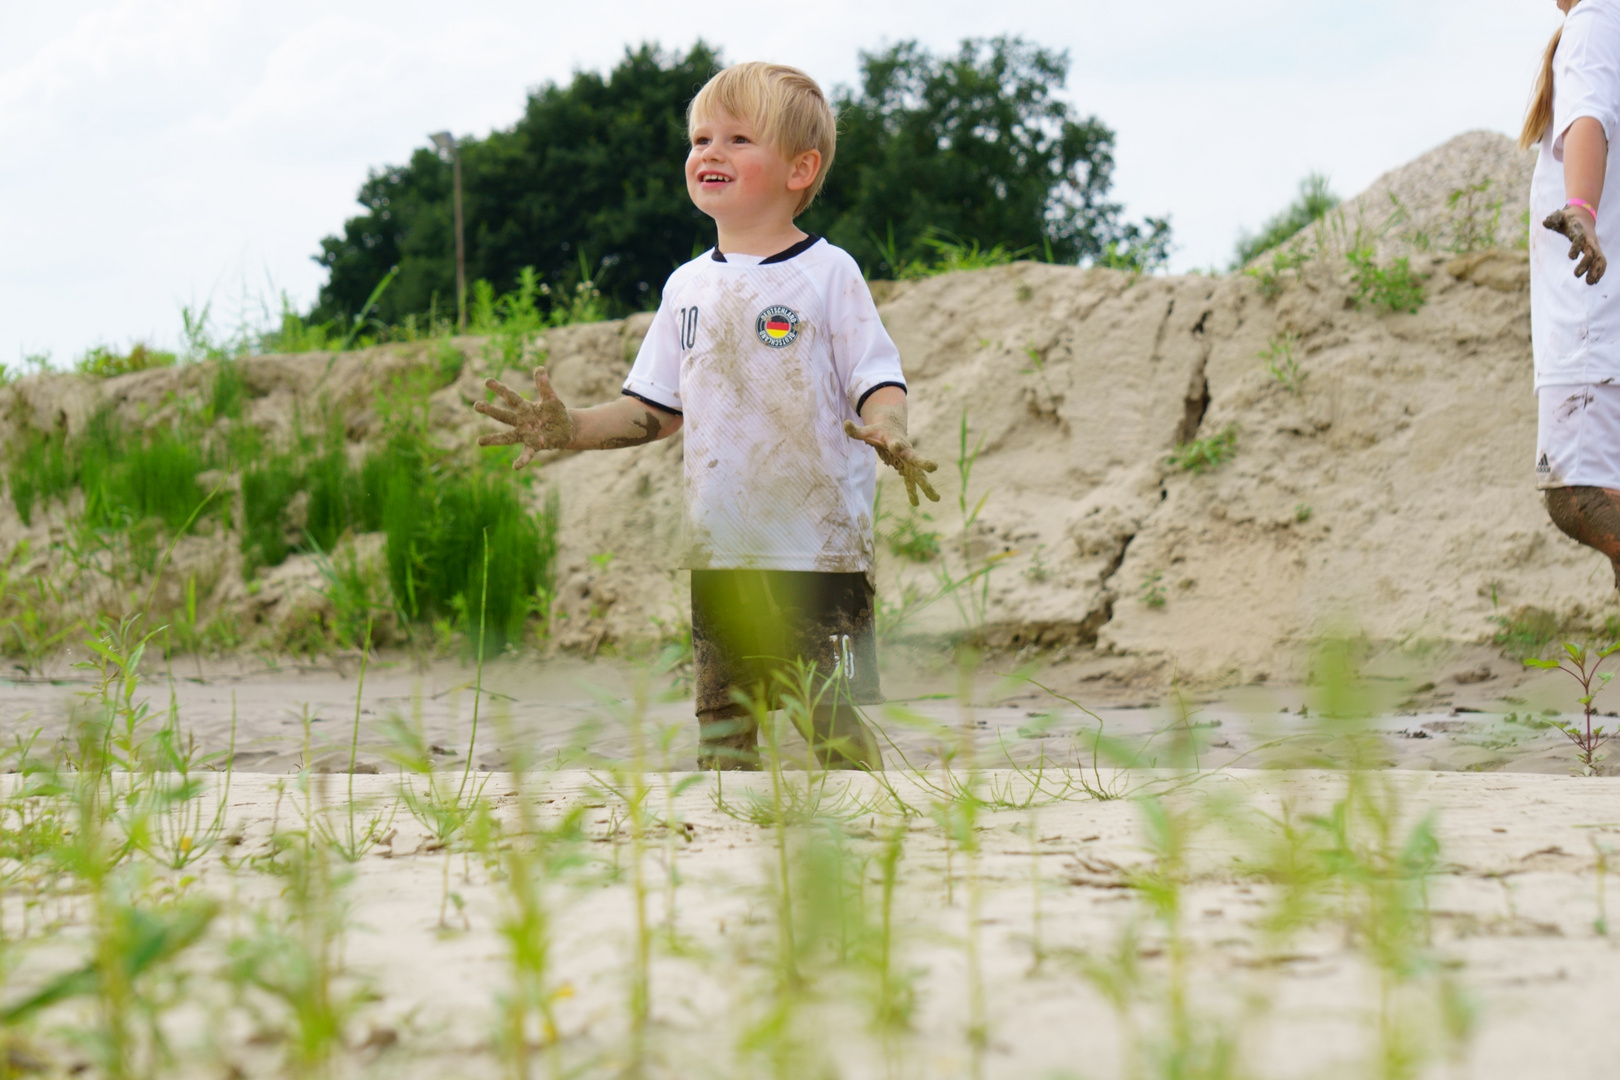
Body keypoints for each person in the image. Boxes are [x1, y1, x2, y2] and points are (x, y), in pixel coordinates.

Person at [471, 62, 940, 770]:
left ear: (799, 169)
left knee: (829, 718)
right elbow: (653, 411)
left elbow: (877, 377)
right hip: (722, 551)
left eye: (738, 139)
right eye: (700, 139)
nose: (709, 153)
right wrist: (571, 429)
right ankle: (727, 852)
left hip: (819, 550)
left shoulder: (829, 273)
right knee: (723, 725)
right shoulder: (685, 287)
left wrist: (891, 429)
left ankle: (866, 847)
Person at [1526, 0, 1620, 587]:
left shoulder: (1592, 25)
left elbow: (1587, 121)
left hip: (1593, 321)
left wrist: (1581, 208)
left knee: (1578, 497)